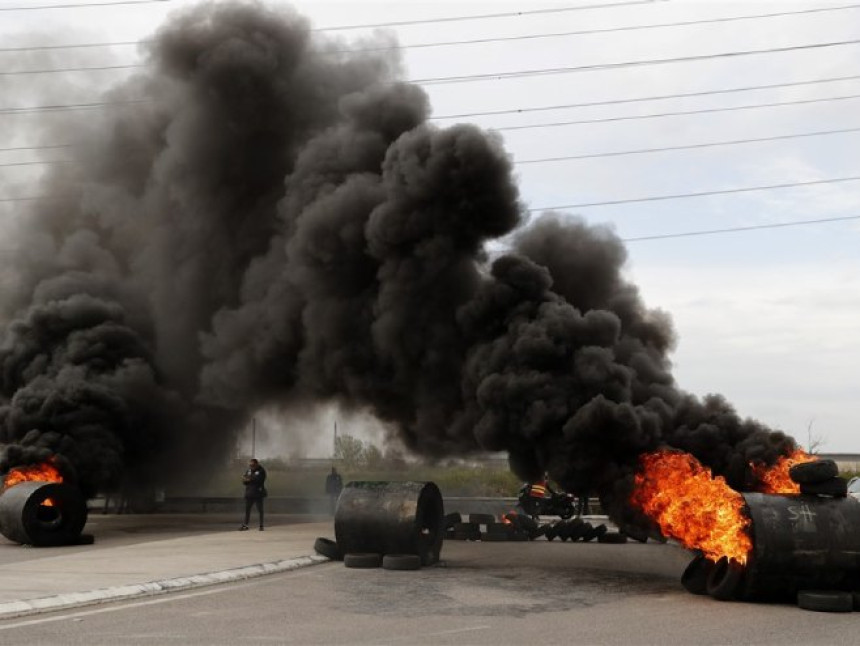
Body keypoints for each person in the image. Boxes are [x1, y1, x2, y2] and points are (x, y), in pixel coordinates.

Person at [239, 458, 267, 531]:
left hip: (258, 493)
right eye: (250, 465)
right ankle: (245, 525)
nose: (251, 466)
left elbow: (259, 480)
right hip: (249, 493)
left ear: (256, 464)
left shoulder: (261, 470)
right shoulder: (249, 470)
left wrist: (250, 479)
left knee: (260, 510)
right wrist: (246, 480)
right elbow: (244, 480)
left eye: (253, 465)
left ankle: (261, 525)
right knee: (247, 510)